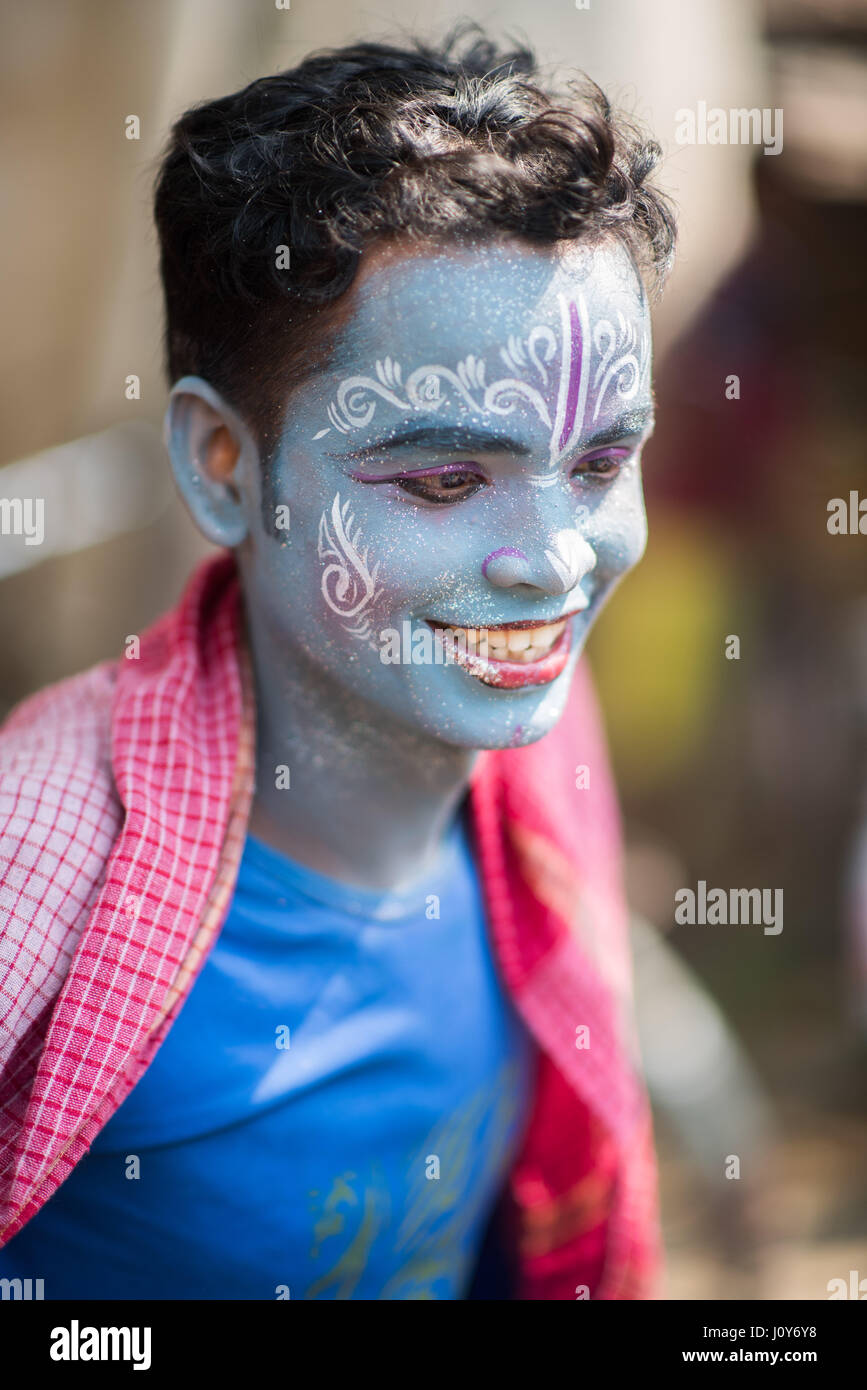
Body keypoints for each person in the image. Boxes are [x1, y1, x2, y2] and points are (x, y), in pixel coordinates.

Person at [0, 23, 675, 1300]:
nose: (552, 561)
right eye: (442, 477)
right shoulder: (39, 884)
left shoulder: (536, 729)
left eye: (597, 464)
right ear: (223, 465)